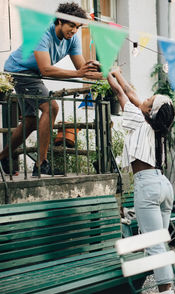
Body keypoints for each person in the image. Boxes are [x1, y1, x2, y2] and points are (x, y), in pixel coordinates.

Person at [1, 2, 101, 176]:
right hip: (19, 71)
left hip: (33, 74)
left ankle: (2, 157)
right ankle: (41, 164)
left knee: (30, 122)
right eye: (71, 25)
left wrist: (105, 74)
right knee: (51, 107)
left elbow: (82, 69)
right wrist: (78, 72)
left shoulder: (72, 39)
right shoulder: (43, 33)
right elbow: (46, 69)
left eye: (78, 27)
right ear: (60, 21)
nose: (74, 31)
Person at [107, 69, 175, 294]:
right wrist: (117, 72)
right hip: (164, 186)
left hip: (147, 186)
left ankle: (166, 292)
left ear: (148, 111)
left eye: (148, 101)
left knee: (155, 242)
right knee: (158, 241)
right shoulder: (159, 128)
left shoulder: (138, 119)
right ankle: (140, 286)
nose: (143, 99)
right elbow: (132, 93)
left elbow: (122, 92)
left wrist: (109, 73)